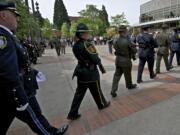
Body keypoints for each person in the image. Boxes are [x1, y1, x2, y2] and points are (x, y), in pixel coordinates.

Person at [15, 38, 68, 135]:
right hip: (19, 91)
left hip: (24, 86)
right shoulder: (4, 38)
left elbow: (22, 64)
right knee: (35, 116)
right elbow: (8, 70)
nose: (17, 21)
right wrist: (18, 95)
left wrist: (34, 72)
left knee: (36, 114)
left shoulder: (11, 37)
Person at [67, 23, 110, 120]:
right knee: (97, 90)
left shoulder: (75, 45)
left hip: (81, 71)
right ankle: (101, 104)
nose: (88, 34)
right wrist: (99, 63)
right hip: (90, 72)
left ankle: (72, 113)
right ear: (82, 34)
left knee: (79, 94)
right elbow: (95, 58)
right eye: (87, 32)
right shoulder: (87, 44)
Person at [110, 25, 137, 98]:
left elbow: (115, 48)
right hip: (126, 60)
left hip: (118, 60)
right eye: (126, 31)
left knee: (116, 75)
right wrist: (134, 47)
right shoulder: (127, 41)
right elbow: (134, 50)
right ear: (124, 31)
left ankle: (113, 90)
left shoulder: (115, 40)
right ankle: (129, 85)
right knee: (127, 74)